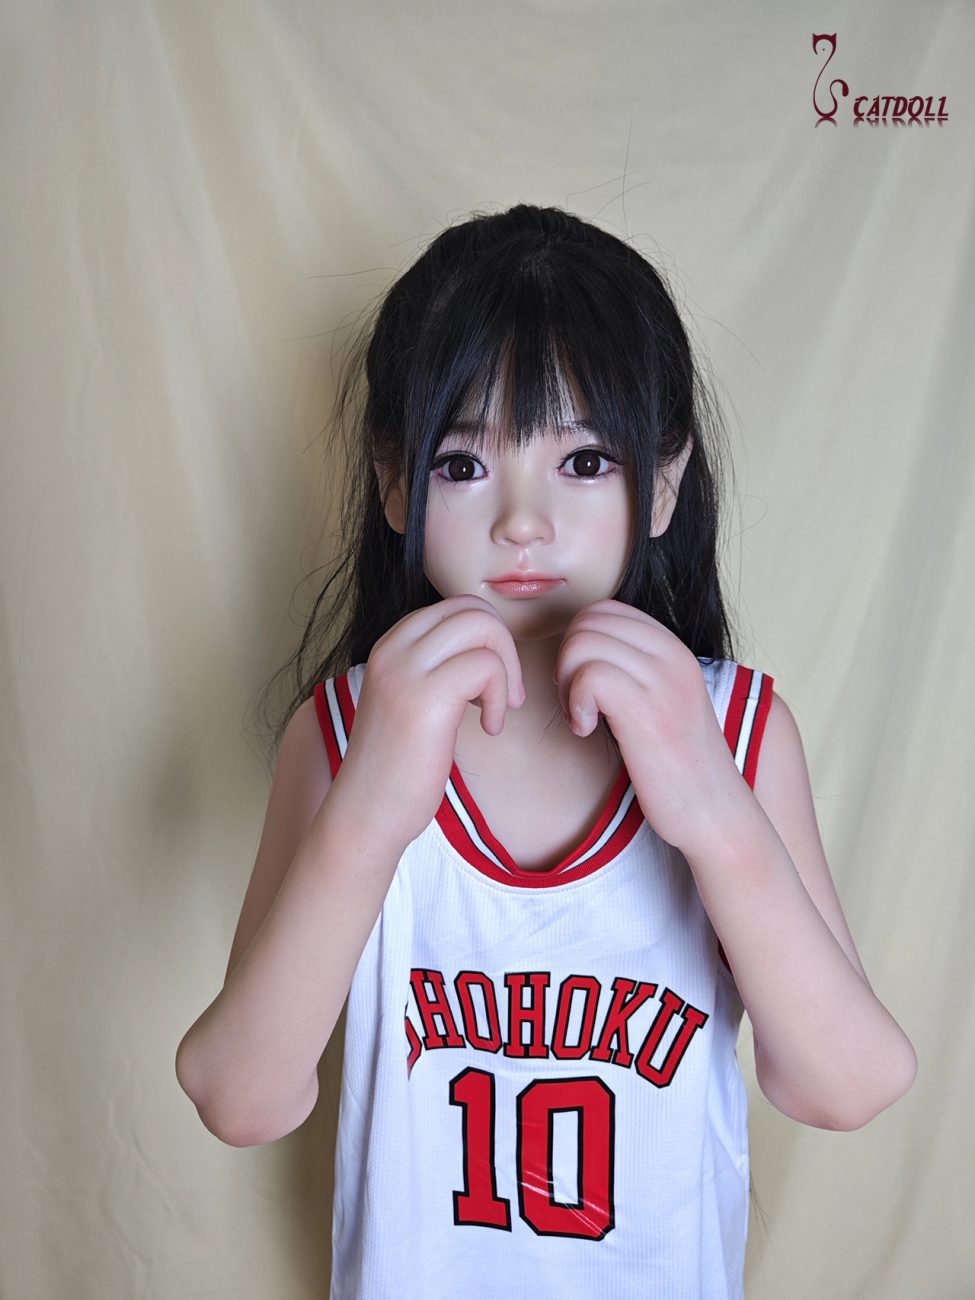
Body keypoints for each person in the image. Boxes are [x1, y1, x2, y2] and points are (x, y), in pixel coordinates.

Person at [176, 204, 916, 1299]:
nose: (522, 521)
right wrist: (369, 811)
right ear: (394, 482)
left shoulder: (736, 730)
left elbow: (845, 1085)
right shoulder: (341, 732)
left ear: (664, 481)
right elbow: (239, 1099)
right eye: (463, 464)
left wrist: (712, 808)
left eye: (582, 458)